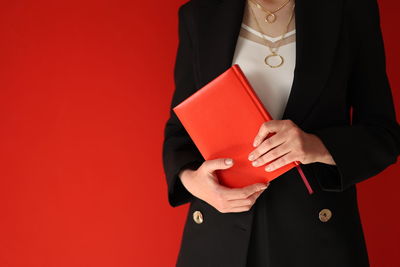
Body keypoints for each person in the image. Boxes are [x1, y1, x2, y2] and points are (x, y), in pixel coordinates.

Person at [162, 0, 400, 266]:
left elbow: (383, 134)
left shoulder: (350, 10)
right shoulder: (200, 14)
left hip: (315, 237)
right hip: (219, 236)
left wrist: (317, 146)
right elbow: (179, 132)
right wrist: (194, 181)